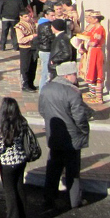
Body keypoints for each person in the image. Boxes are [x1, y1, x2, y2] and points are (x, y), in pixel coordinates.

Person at [39, 61, 90, 209]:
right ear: (67, 75)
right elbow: (80, 118)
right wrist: (84, 132)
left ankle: (49, 198)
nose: (77, 76)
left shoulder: (46, 89)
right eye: (75, 74)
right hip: (72, 138)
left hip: (54, 136)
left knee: (53, 168)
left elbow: (42, 110)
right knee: (72, 171)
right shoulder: (73, 93)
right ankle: (75, 200)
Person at [0, 97, 29, 218]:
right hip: (21, 160)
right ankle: (22, 217)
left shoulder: (2, 127)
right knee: (19, 187)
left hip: (7, 163)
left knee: (9, 191)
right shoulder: (22, 122)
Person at [79, 13, 105, 103]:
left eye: (92, 18)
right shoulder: (94, 28)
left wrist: (87, 42)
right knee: (92, 72)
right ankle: (93, 93)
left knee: (97, 73)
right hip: (91, 52)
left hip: (96, 52)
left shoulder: (99, 29)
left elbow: (94, 42)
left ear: (96, 19)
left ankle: (99, 98)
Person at [14, 10, 38, 92]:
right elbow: (20, 40)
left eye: (28, 16)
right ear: (21, 17)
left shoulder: (32, 23)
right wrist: (32, 37)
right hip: (25, 48)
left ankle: (31, 83)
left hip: (33, 47)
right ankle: (25, 85)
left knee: (33, 66)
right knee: (25, 67)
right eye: (25, 17)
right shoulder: (19, 26)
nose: (28, 18)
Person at [36, 8, 56, 91]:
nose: (54, 17)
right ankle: (42, 91)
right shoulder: (46, 25)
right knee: (46, 72)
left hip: (44, 50)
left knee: (47, 71)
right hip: (46, 50)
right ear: (46, 15)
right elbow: (52, 37)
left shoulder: (44, 23)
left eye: (54, 15)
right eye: (52, 15)